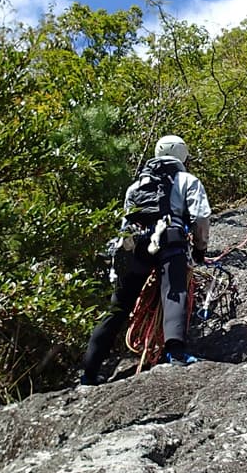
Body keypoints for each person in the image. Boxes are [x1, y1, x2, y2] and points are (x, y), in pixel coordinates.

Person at [80, 135, 211, 384]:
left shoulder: (136, 185)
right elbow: (201, 217)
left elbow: (125, 223)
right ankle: (176, 353)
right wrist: (200, 250)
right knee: (174, 292)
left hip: (135, 246)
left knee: (118, 308)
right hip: (169, 240)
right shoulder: (187, 180)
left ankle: (88, 371)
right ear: (183, 155)